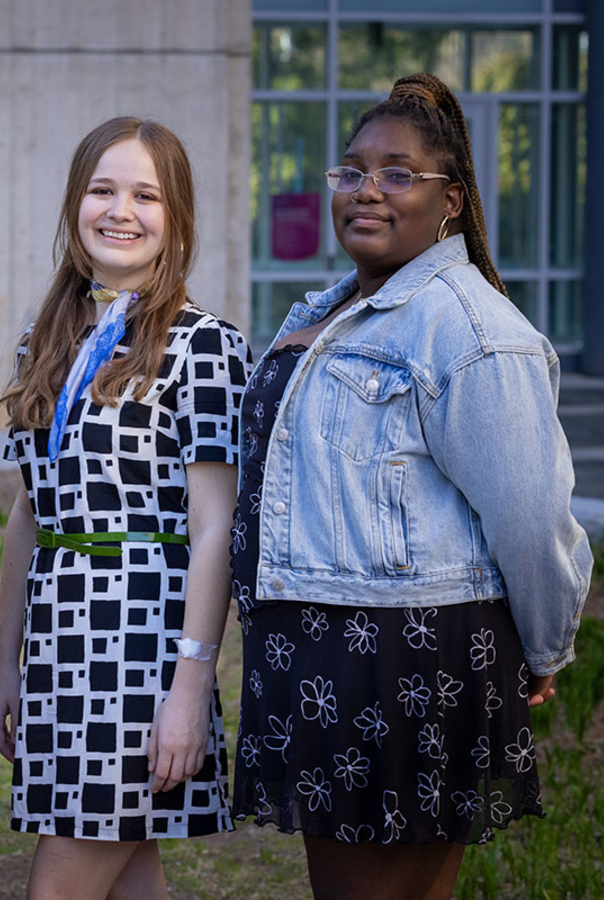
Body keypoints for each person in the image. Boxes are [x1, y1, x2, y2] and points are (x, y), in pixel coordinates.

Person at [230, 73, 593, 900]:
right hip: (317, 648)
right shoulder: (328, 311)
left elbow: (532, 519)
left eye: (399, 174)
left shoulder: (471, 331)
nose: (367, 191)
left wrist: (544, 645)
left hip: (404, 663)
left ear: (452, 198)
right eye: (352, 171)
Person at [0, 116, 250, 900]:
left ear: (178, 219)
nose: (119, 210)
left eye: (146, 195)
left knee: (60, 884)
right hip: (60, 644)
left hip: (141, 649)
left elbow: (214, 529)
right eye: (102, 190)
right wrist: (4, 665)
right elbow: (32, 516)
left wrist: (191, 688)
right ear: (75, 205)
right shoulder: (46, 339)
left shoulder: (205, 346)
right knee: (132, 875)